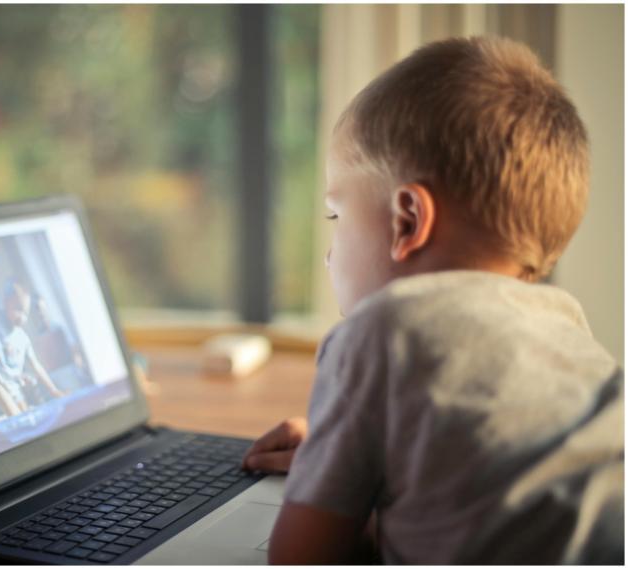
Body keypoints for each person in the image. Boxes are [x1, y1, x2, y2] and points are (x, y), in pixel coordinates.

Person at [243, 36, 623, 564]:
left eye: (336, 216)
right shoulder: (570, 329)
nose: (329, 254)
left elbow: (300, 558)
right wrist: (363, 455)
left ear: (408, 222)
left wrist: (329, 478)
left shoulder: (381, 333)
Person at [0, 278, 65, 417]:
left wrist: (53, 390)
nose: (22, 317)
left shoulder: (23, 338)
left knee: (29, 415)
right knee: (16, 416)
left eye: (26, 313)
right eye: (18, 309)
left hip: (17, 387)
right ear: (6, 302)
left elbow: (36, 365)